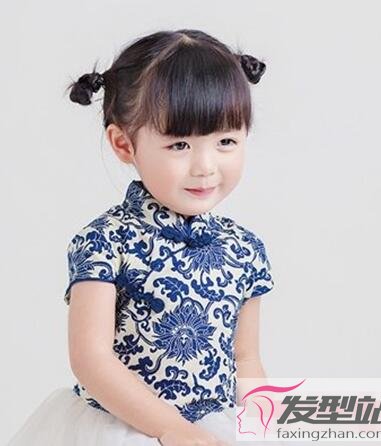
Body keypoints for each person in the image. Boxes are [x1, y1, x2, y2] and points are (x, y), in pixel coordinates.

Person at [7, 28, 276, 446]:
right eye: (179, 145)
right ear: (123, 144)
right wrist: (171, 428)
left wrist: (266, 430)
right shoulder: (105, 242)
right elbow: (91, 359)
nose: (205, 166)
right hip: (127, 427)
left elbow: (247, 358)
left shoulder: (243, 249)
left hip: (213, 428)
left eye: (226, 141)